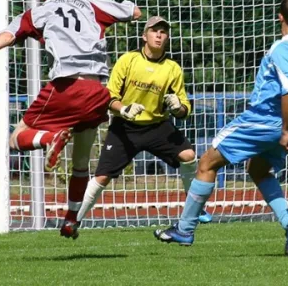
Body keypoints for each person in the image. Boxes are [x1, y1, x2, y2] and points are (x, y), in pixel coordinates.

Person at [154, 0, 288, 256]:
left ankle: (184, 229)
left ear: (280, 17)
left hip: (263, 120)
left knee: (207, 163)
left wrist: (284, 131)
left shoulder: (282, 48)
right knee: (259, 170)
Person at [0, 0, 142, 224]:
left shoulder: (37, 12)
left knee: (16, 138)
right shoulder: (91, 4)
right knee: (81, 163)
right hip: (97, 92)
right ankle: (71, 219)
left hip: (66, 86)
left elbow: (8, 35)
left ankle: (50, 138)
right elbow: (134, 12)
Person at [59, 15, 212, 239]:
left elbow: (184, 109)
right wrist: (124, 109)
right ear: (144, 36)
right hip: (125, 128)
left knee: (188, 155)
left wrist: (178, 107)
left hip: (157, 126)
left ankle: (195, 210)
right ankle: (73, 221)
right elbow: (109, 96)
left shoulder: (173, 68)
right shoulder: (128, 60)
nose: (159, 35)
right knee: (102, 178)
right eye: (154, 31)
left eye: (163, 32)